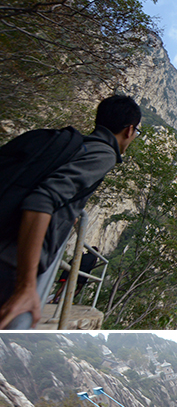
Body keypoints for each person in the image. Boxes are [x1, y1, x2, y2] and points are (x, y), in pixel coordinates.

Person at [0, 95, 141, 329]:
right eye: (136, 131)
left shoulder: (77, 146)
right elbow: (42, 199)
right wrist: (26, 288)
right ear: (129, 130)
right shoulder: (104, 153)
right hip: (11, 265)